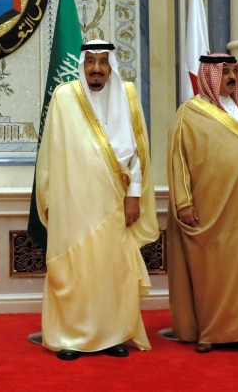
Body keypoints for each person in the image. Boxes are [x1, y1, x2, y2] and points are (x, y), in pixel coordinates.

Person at [35, 39, 159, 361]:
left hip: (114, 201)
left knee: (111, 270)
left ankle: (112, 334)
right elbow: (49, 153)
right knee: (74, 269)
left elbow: (138, 157)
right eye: (90, 61)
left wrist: (134, 198)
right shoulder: (65, 97)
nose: (96, 68)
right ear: (82, 65)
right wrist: (49, 198)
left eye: (103, 61)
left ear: (111, 66)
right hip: (72, 202)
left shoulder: (127, 96)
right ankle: (69, 336)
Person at [168, 54, 238, 353]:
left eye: (234, 71)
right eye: (224, 72)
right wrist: (183, 202)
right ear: (208, 75)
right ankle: (212, 332)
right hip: (209, 207)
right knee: (213, 271)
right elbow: (178, 161)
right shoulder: (189, 113)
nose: (231, 77)